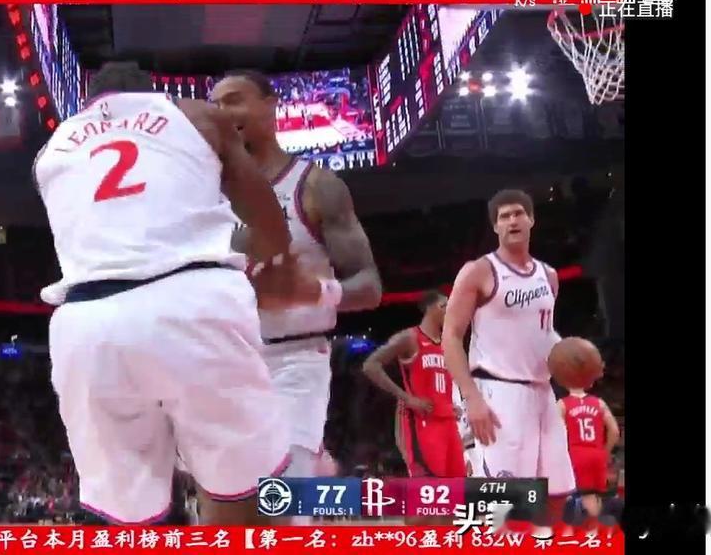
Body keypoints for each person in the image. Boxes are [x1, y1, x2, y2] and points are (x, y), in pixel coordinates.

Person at [35, 61, 323, 525]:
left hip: (86, 323)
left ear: (89, 105)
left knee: (127, 517)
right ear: (152, 95)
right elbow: (268, 221)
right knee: (245, 494)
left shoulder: (50, 151)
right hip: (192, 303)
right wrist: (270, 256)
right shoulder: (197, 115)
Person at [211, 70, 382, 522]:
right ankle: (318, 464)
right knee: (231, 514)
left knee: (283, 507)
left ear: (271, 105)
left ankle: (309, 466)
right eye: (217, 106)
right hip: (224, 361)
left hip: (295, 358)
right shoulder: (204, 194)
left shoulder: (315, 186)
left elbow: (370, 285)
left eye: (235, 100)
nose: (223, 113)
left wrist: (315, 291)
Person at [442, 189, 576, 534]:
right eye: (504, 216)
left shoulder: (549, 276)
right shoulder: (479, 271)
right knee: (503, 504)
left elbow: (544, 332)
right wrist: (471, 397)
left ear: (532, 220)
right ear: (495, 226)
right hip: (498, 392)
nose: (512, 220)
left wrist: (570, 355)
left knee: (557, 493)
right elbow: (451, 337)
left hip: (542, 391)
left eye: (518, 213)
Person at [361, 291, 464, 480]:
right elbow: (370, 365)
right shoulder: (409, 338)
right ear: (431, 309)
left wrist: (449, 405)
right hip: (421, 422)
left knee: (457, 486)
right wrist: (407, 398)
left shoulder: (447, 344)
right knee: (428, 487)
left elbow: (440, 384)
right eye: (444, 306)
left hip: (448, 423)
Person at [558, 386, 620, 526]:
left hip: (576, 454)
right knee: (595, 496)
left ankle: (585, 531)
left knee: (577, 496)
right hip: (597, 453)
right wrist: (605, 451)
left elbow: (557, 434)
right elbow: (615, 431)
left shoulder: (562, 404)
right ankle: (598, 530)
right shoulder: (600, 403)